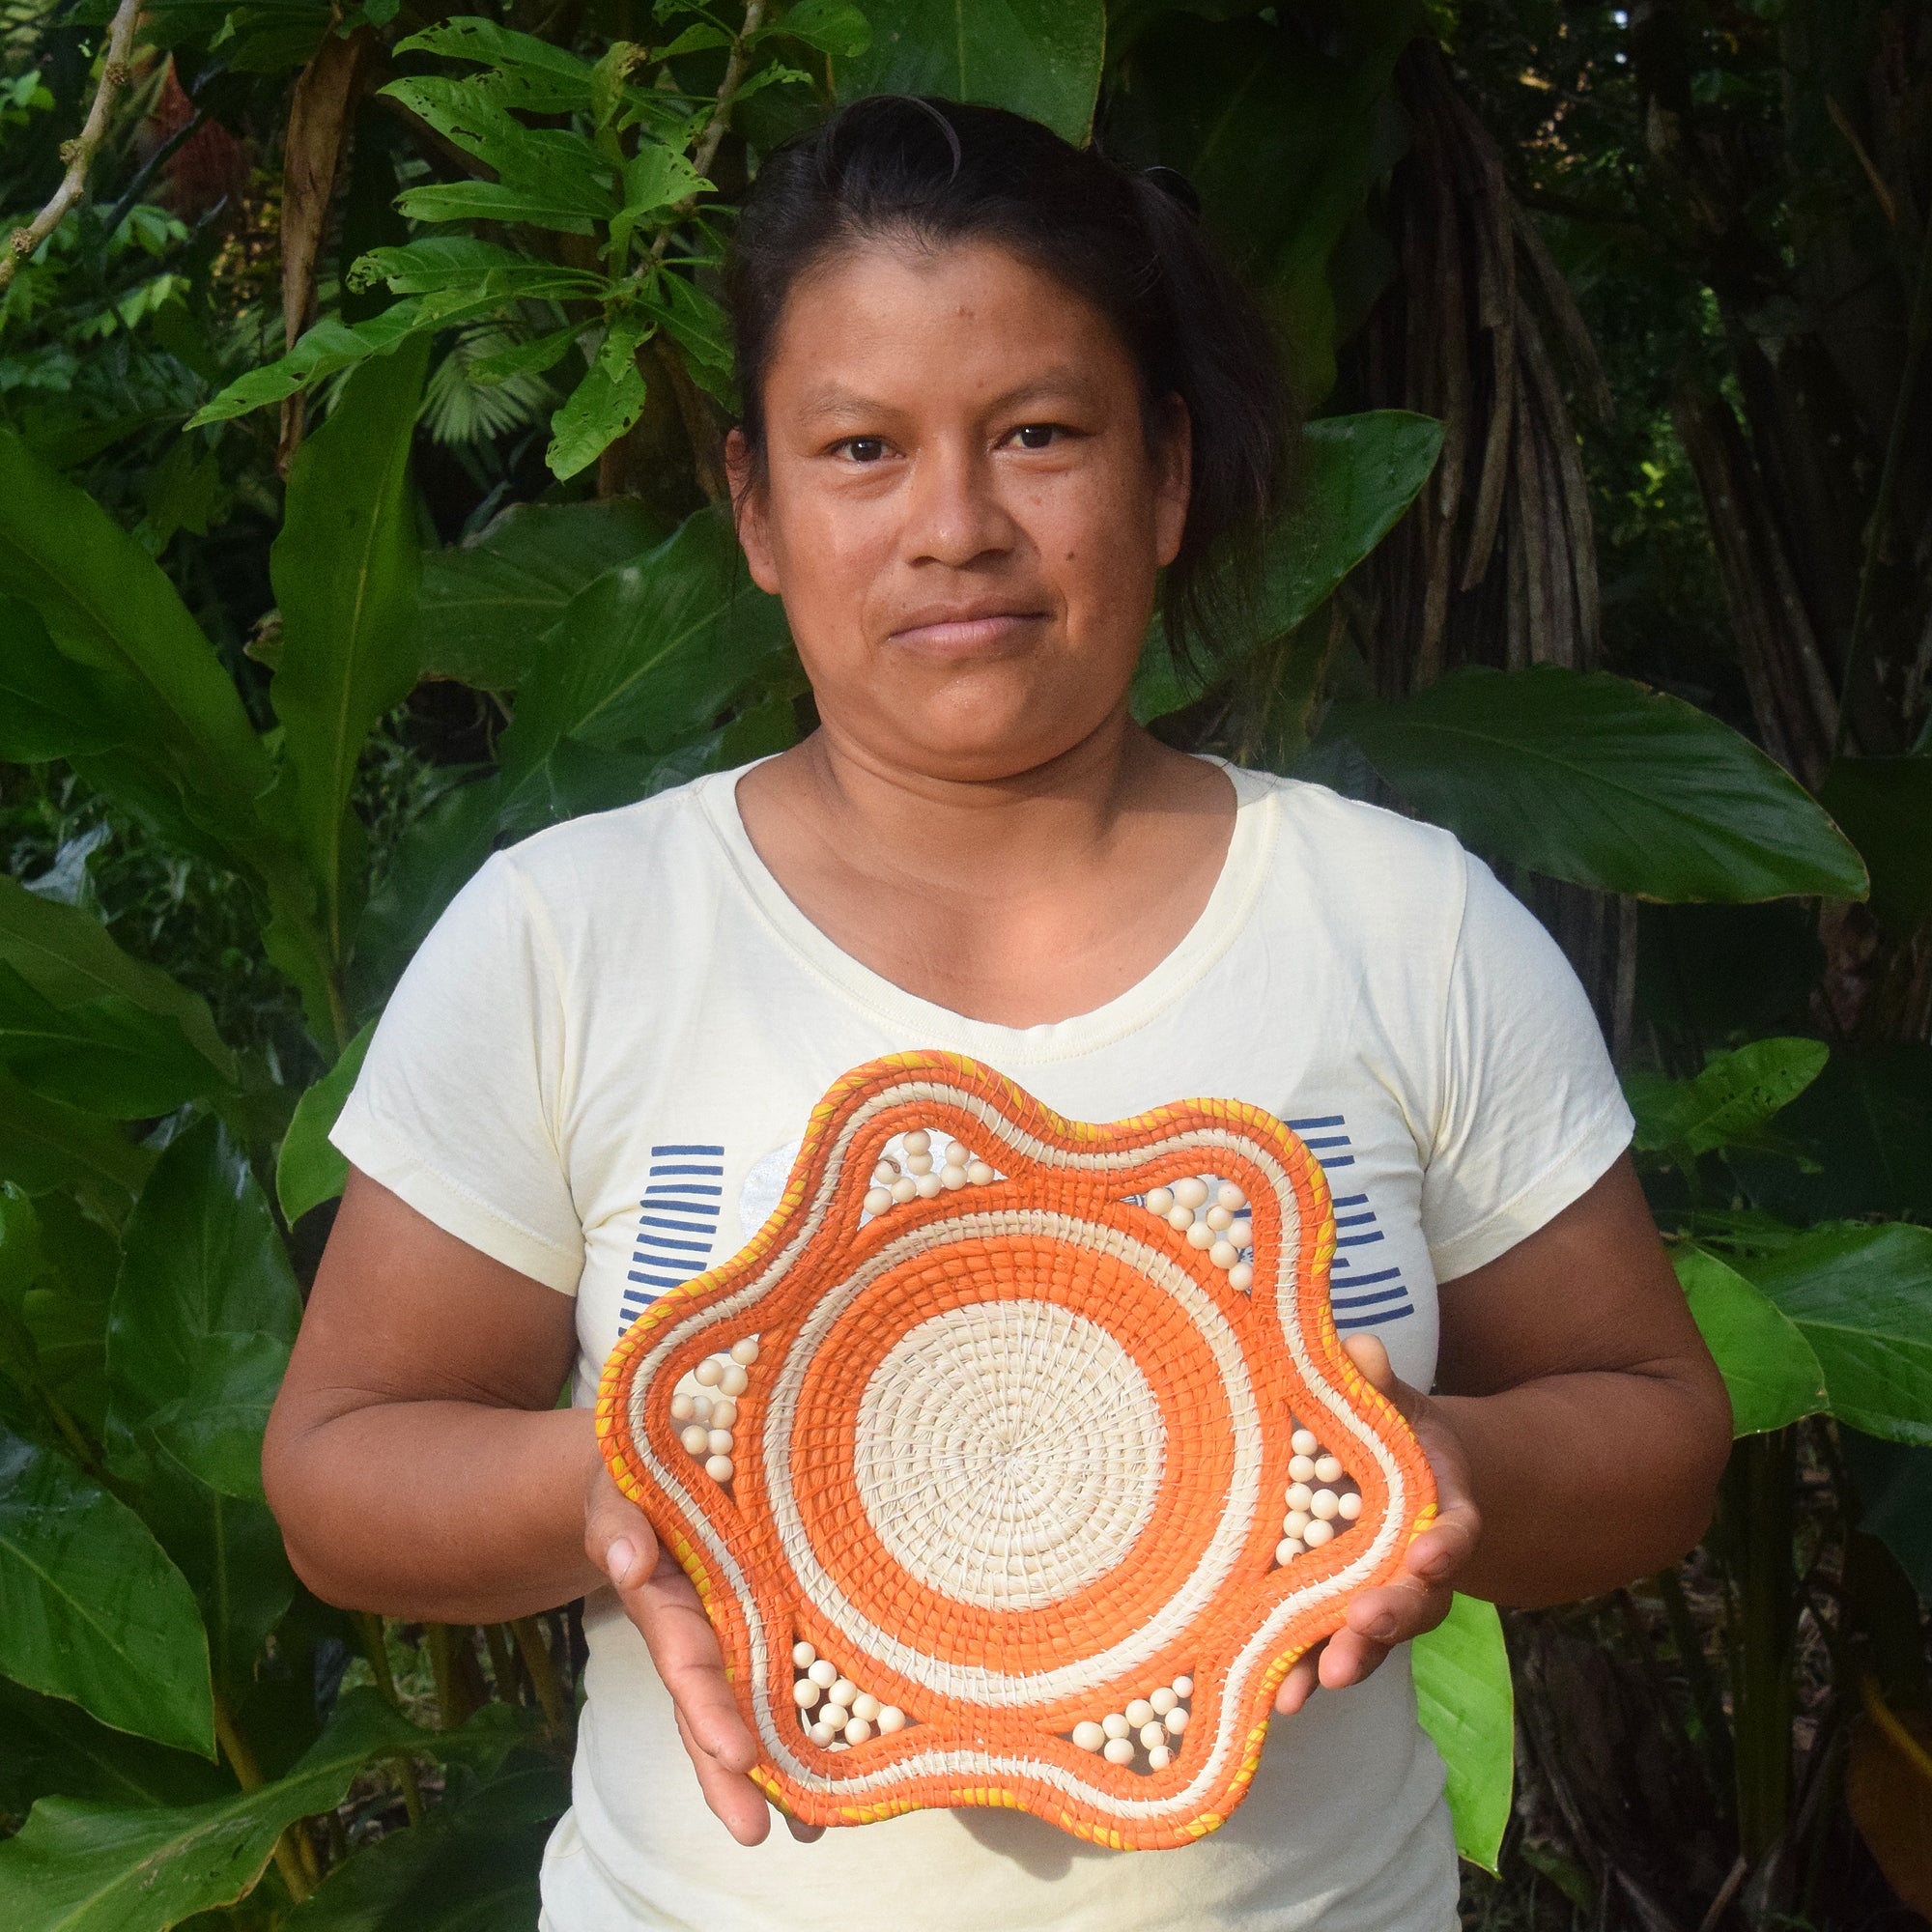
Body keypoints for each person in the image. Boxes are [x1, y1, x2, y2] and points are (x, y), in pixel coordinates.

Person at [263, 96, 1732, 1932]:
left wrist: (1438, 1470)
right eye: (861, 449)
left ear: (1169, 474)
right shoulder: (579, 934)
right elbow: (336, 1478)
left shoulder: (1396, 920)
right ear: (756, 510)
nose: (955, 526)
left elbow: (1657, 1427)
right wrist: (689, 1469)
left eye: (1039, 434)